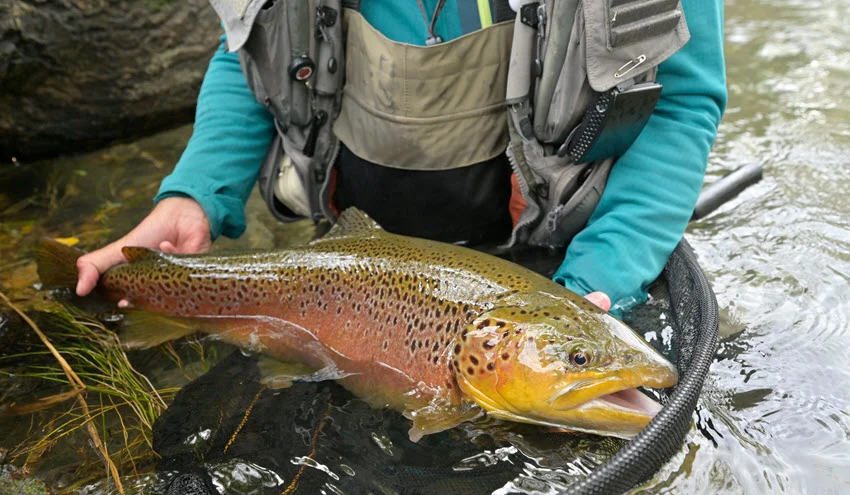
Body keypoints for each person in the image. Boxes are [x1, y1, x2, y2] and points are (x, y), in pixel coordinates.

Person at [74, 0, 726, 315]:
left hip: (550, 265)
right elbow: (251, 47)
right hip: (345, 263)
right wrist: (194, 193)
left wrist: (592, 287)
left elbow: (680, 101)